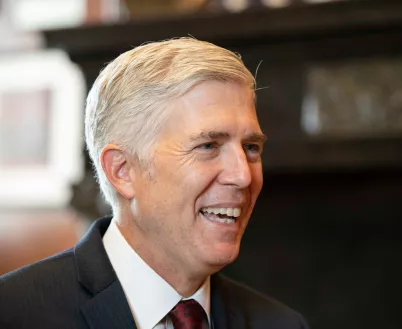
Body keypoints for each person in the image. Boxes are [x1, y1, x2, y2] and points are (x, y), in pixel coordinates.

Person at [0, 38, 309, 329]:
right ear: (123, 171)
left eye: (251, 148)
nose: (243, 175)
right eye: (208, 146)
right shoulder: (15, 311)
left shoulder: (281, 324)